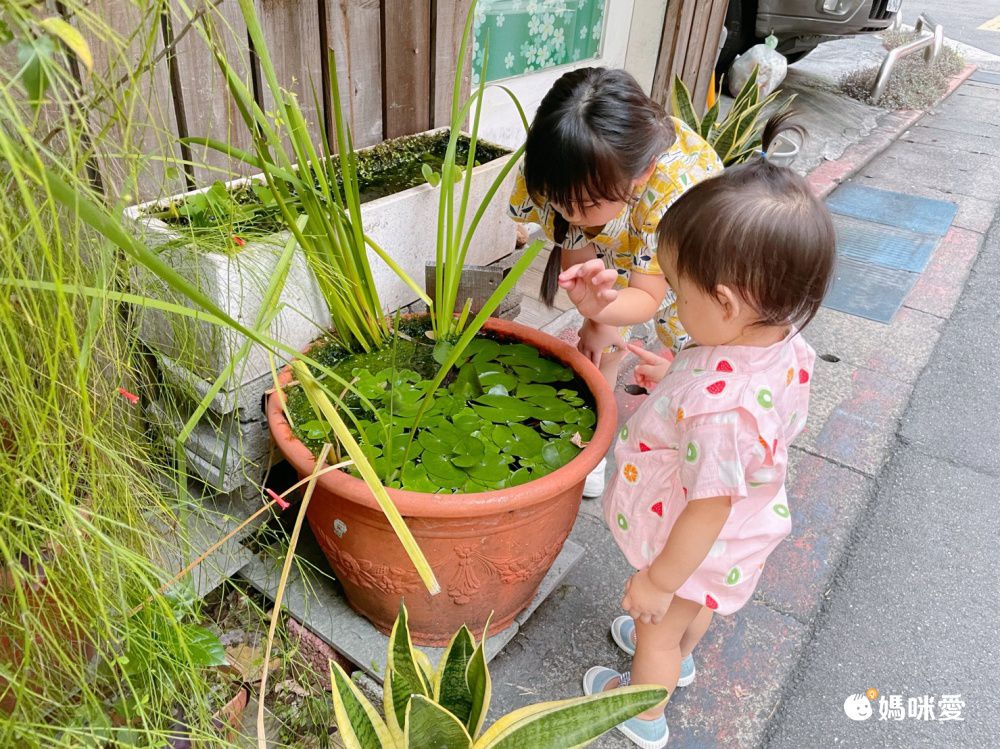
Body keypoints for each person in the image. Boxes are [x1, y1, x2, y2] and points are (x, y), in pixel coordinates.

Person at [580, 114, 837, 748]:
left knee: (660, 625)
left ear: (723, 302)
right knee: (692, 614)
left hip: (695, 538)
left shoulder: (722, 416)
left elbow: (708, 503)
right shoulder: (779, 341)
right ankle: (682, 654)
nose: (672, 304)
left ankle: (641, 710)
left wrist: (657, 580)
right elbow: (761, 406)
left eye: (681, 293)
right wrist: (678, 375)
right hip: (740, 532)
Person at [508, 67, 722, 497]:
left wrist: (596, 308)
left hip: (690, 262)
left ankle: (705, 469)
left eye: (583, 203)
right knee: (601, 339)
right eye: (559, 200)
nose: (568, 212)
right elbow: (577, 236)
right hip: (623, 220)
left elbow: (646, 296)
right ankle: (590, 447)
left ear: (638, 177)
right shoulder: (563, 162)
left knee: (697, 361)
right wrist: (597, 315)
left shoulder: (671, 195)